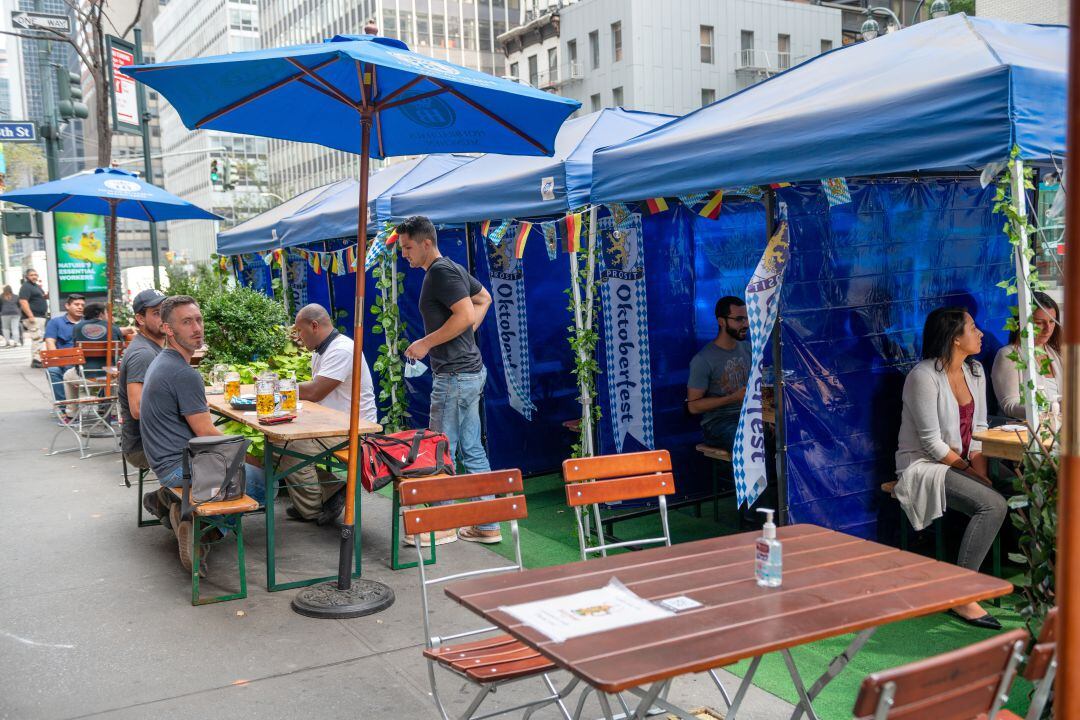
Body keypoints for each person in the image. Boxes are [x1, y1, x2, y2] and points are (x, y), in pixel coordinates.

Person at [894, 306, 1007, 629]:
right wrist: (975, 476)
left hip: (960, 464)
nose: (981, 333)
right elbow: (932, 444)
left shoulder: (975, 371)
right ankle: (961, 595)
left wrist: (981, 471)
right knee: (992, 504)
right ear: (955, 339)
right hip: (924, 466)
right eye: (973, 328)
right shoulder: (923, 376)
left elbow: (981, 428)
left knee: (1019, 488)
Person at [141, 295, 266, 573]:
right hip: (180, 468)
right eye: (186, 322)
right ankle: (204, 531)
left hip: (163, 462)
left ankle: (169, 502)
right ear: (168, 329)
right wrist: (252, 456)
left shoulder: (163, 360)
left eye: (198, 320)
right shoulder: (183, 373)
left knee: (249, 467)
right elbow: (207, 433)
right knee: (265, 483)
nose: (197, 328)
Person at [397, 215, 496, 545]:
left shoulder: (440, 271)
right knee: (471, 448)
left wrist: (426, 342)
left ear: (426, 243)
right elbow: (482, 301)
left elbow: (467, 313)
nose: (404, 254)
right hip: (467, 372)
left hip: (455, 375)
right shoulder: (450, 268)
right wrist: (464, 335)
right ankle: (487, 525)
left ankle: (441, 524)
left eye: (408, 247)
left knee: (441, 449)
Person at [277, 303, 376, 526]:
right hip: (333, 423)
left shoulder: (341, 350)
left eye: (300, 331)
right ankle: (331, 489)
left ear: (314, 326)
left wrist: (277, 387)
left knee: (291, 447)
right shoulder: (322, 350)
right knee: (274, 442)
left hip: (356, 429)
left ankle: (311, 508)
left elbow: (314, 391)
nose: (298, 337)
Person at [117, 290, 169, 523]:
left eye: (166, 312)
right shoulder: (142, 354)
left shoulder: (154, 348)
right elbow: (138, 409)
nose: (164, 318)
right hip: (143, 447)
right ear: (140, 319)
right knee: (214, 455)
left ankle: (171, 503)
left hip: (156, 441)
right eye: (157, 313)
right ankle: (166, 499)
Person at [686, 296, 751, 451]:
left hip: (750, 417)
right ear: (721, 322)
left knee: (784, 437)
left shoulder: (748, 348)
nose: (746, 324)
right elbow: (693, 406)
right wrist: (732, 398)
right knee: (750, 444)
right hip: (718, 423)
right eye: (739, 319)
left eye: (747, 318)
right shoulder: (703, 359)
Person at [992, 291, 1062, 421]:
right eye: (1040, 323)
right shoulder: (1008, 355)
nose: (1048, 329)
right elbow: (1009, 405)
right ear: (1022, 322)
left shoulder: (1057, 352)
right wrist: (1052, 408)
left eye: (1052, 322)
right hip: (1025, 431)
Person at [42, 294, 85, 403]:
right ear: (67, 306)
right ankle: (64, 406)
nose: (80, 307)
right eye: (76, 304)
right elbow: (50, 341)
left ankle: (102, 406)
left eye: (82, 305)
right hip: (63, 361)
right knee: (52, 370)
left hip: (85, 363)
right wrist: (57, 360)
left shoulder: (87, 323)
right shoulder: (56, 322)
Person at [18, 269, 49, 367]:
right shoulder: (26, 287)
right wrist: (30, 315)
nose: (34, 276)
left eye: (36, 274)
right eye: (32, 275)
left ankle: (37, 359)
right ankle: (36, 360)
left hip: (40, 316)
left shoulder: (36, 287)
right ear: (27, 276)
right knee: (37, 338)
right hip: (33, 317)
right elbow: (23, 301)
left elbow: (41, 297)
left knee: (39, 338)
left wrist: (46, 296)